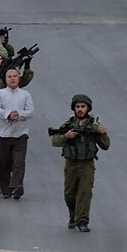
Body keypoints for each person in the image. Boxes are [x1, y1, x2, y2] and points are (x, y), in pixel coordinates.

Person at [0, 46, 35, 194]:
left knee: (17, 160)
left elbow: (23, 82)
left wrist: (26, 67)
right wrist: (2, 82)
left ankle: (14, 185)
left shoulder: (14, 81)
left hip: (18, 130)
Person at [50, 94, 110, 232]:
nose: (80, 109)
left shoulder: (93, 126)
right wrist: (66, 136)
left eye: (83, 106)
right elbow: (55, 141)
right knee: (69, 194)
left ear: (88, 108)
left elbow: (106, 146)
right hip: (71, 164)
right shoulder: (68, 125)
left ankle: (82, 220)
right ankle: (73, 214)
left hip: (86, 165)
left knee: (85, 192)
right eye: (78, 107)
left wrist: (102, 133)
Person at [0, 68, 34, 199]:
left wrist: (19, 115)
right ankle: (6, 189)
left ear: (19, 78)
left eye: (15, 76)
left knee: (19, 162)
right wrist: (7, 114)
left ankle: (17, 186)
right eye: (9, 76)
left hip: (20, 134)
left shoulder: (25, 94)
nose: (12, 78)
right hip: (3, 134)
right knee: (3, 163)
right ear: (5, 79)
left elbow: (30, 111)